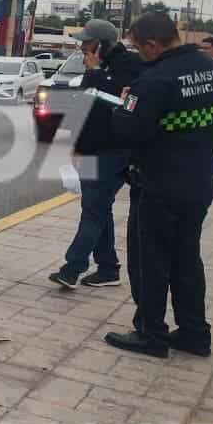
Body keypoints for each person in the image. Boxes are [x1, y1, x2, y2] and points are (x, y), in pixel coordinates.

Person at [106, 11, 213, 358]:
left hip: (159, 187)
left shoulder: (156, 80)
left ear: (152, 44)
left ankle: (151, 334)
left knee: (151, 263)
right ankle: (194, 334)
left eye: (138, 48)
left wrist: (126, 102)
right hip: (200, 183)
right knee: (187, 259)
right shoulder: (211, 71)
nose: (138, 54)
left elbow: (127, 129)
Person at [49, 19, 144, 290]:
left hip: (114, 150)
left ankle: (73, 267)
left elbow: (120, 99)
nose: (81, 46)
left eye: (87, 42)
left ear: (102, 43)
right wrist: (75, 145)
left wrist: (94, 73)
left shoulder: (129, 65)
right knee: (98, 208)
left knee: (94, 209)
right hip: (92, 149)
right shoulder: (97, 68)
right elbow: (87, 109)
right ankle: (108, 268)